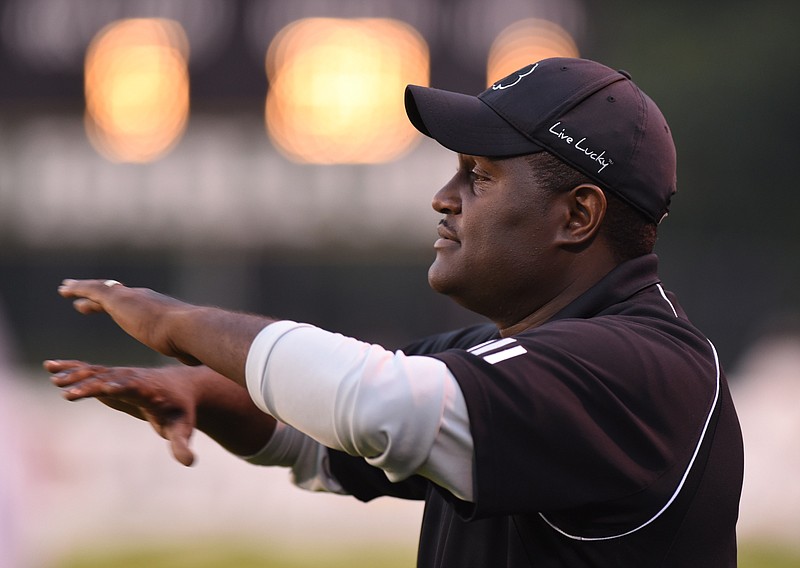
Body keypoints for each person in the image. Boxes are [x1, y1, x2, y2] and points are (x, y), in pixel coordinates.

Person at [45, 57, 744, 567]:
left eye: (479, 175)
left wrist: (177, 325)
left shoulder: (641, 369)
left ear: (578, 215)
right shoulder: (518, 348)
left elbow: (374, 404)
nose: (444, 198)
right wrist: (203, 389)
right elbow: (323, 441)